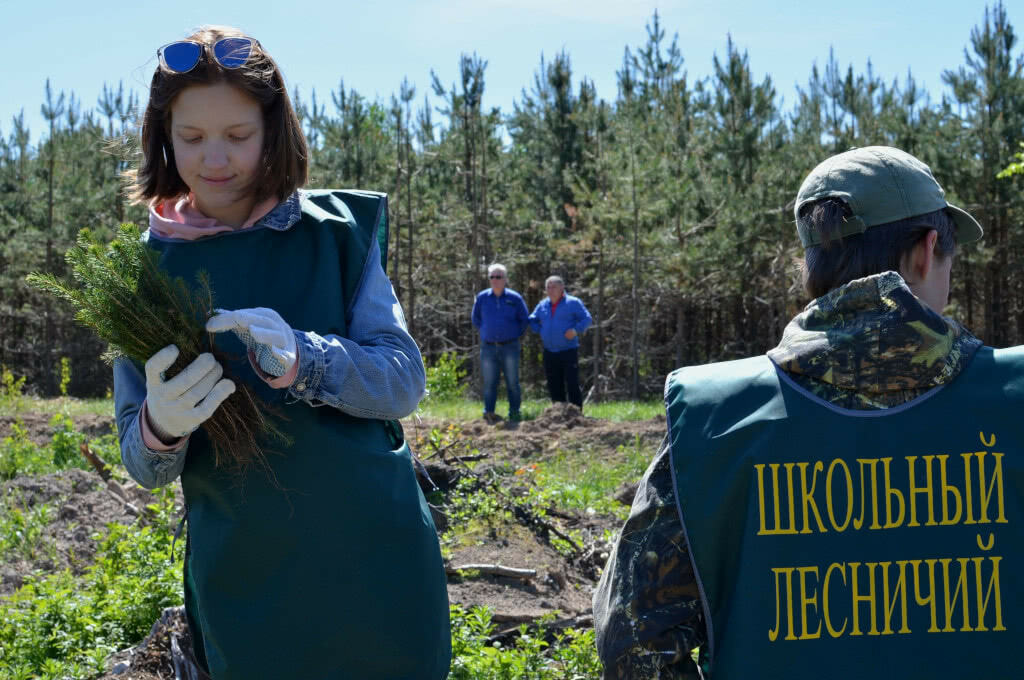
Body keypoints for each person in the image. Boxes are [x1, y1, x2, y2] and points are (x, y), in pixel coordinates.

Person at [594, 146, 1021, 678]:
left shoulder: (714, 418)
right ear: (927, 250)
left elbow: (632, 640)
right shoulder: (1013, 397)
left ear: (813, 268)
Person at [112, 27, 450, 679]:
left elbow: (403, 380)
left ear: (273, 129)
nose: (215, 159)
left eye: (237, 135)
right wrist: (161, 425)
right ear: (163, 135)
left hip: (376, 558)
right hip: (248, 579)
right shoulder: (144, 274)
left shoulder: (336, 237)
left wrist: (308, 359)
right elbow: (143, 465)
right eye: (191, 137)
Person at [471, 263, 529, 423]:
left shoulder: (514, 298)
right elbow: (475, 319)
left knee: (512, 382)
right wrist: (485, 331)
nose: (495, 280)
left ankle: (515, 413)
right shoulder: (482, 297)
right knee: (489, 383)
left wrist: (515, 334)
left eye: (499, 277)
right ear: (489, 279)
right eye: (492, 277)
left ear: (505, 279)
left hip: (510, 346)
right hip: (488, 347)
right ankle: (489, 413)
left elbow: (524, 319)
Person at [529, 275, 592, 409]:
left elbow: (586, 319)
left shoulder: (573, 302)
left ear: (562, 288)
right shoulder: (543, 304)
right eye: (548, 287)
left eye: (554, 287)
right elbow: (532, 319)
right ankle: (558, 416)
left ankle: (576, 416)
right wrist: (539, 330)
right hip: (549, 351)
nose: (551, 290)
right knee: (553, 384)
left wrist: (575, 330)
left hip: (568, 350)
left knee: (572, 383)